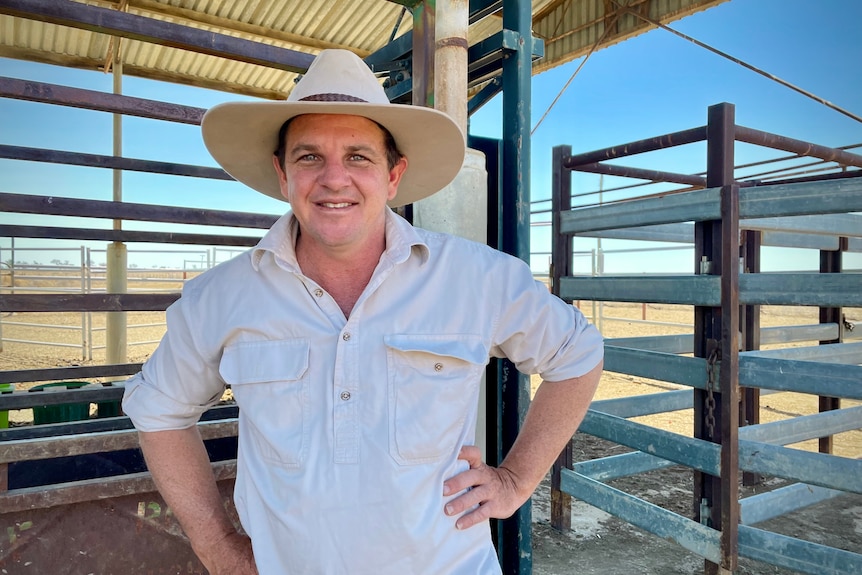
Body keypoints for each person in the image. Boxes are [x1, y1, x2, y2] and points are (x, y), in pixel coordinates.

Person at [122, 49, 603, 575]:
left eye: (358, 156)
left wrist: (515, 481)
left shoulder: (477, 277)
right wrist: (216, 546)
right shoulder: (220, 296)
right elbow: (159, 410)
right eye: (309, 157)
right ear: (283, 174)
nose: (334, 179)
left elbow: (577, 354)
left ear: (393, 176)